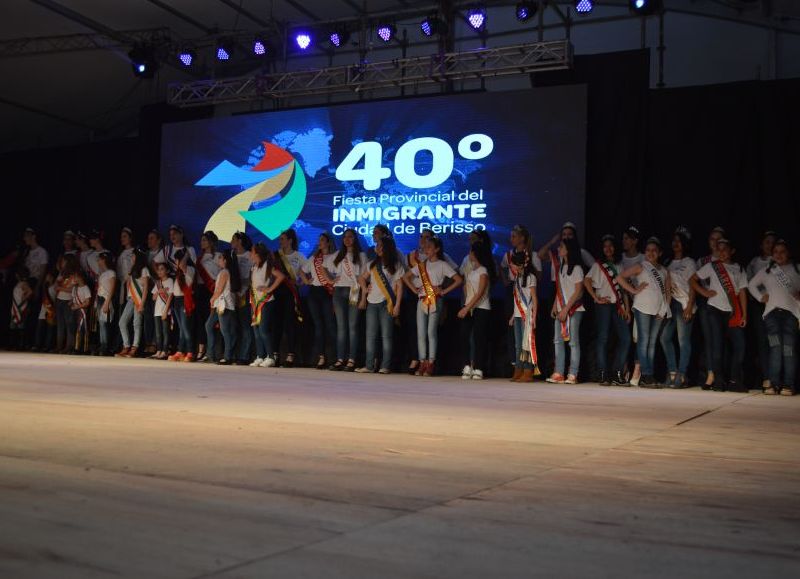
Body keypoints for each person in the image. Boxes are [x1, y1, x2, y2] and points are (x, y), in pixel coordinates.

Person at [691, 238, 748, 392]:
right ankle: (719, 381)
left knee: (740, 346)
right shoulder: (712, 266)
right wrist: (704, 292)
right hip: (714, 309)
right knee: (717, 346)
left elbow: (742, 292)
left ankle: (735, 380)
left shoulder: (739, 268)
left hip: (733, 311)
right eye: (719, 249)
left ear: (732, 251)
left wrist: (744, 314)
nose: (722, 252)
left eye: (725, 249)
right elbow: (693, 280)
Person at [403, 236, 463, 377]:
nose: (426, 249)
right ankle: (422, 361)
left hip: (436, 300)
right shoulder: (422, 265)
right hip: (422, 300)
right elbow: (406, 277)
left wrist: (443, 291)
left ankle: (431, 363)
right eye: (425, 247)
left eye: (429, 247)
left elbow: (458, 280)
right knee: (421, 332)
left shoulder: (443, 264)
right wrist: (413, 289)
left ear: (436, 249)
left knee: (431, 332)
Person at [747, 239, 800, 396]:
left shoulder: (797, 269)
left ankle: (789, 384)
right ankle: (774, 383)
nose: (779, 255)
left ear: (788, 253)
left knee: (789, 350)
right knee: (775, 348)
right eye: (776, 252)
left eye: (782, 251)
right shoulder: (768, 270)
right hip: (771, 316)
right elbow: (751, 285)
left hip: (791, 315)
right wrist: (760, 297)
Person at [617, 237, 671, 388]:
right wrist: (634, 290)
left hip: (658, 310)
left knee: (652, 343)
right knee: (643, 341)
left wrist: (664, 309)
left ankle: (649, 374)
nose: (650, 253)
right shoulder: (641, 266)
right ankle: (646, 375)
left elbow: (667, 292)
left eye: (654, 250)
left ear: (660, 253)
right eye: (648, 250)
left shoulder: (665, 271)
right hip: (642, 308)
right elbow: (620, 277)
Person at [583, 235, 631, 386]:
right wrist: (595, 298)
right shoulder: (599, 265)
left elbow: (623, 290)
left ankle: (617, 372)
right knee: (603, 339)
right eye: (605, 246)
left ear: (615, 248)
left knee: (626, 338)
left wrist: (627, 309)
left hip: (618, 305)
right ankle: (603, 373)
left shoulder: (620, 265)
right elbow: (587, 280)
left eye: (611, 246)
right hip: (603, 305)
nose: (608, 249)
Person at [357, 236, 404, 374]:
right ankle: (369, 365)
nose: (377, 247)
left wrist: (397, 306)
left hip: (386, 303)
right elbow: (361, 278)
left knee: (386, 336)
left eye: (380, 245)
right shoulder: (371, 264)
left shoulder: (395, 265)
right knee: (370, 335)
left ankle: (385, 366)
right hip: (371, 302)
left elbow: (400, 287)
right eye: (376, 245)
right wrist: (365, 289)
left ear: (387, 248)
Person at [659, 227, 696, 388]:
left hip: (684, 303)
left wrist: (689, 306)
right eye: (674, 241)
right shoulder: (667, 262)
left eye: (679, 241)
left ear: (685, 244)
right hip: (671, 304)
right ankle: (673, 372)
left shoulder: (689, 262)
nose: (676, 244)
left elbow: (693, 285)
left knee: (683, 340)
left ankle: (682, 375)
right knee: (664, 338)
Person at [546, 238, 586, 384]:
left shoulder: (577, 269)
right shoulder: (561, 267)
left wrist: (566, 309)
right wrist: (555, 307)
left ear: (569, 249)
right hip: (561, 308)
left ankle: (573, 373)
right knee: (557, 340)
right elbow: (559, 290)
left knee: (573, 342)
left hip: (574, 309)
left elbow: (578, 292)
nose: (558, 249)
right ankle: (558, 372)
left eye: (561, 247)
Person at [330, 228, 367, 371]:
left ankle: (351, 359)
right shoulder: (338, 255)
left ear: (355, 239)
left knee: (352, 327)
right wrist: (330, 279)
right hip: (339, 291)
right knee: (341, 327)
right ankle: (340, 358)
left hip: (354, 290)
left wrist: (363, 294)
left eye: (350, 237)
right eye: (345, 237)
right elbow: (324, 267)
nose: (347, 239)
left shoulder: (362, 256)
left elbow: (365, 276)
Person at [458, 241, 495, 380]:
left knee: (479, 338)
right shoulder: (472, 271)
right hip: (469, 306)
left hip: (481, 308)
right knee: (464, 336)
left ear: (475, 254)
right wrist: (466, 305)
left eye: (471, 252)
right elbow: (467, 290)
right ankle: (467, 365)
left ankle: (479, 367)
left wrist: (467, 307)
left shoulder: (483, 271)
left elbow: (480, 293)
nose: (469, 254)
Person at [747, 230, 779, 391]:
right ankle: (767, 377)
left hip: (777, 306)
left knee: (776, 342)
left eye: (773, 242)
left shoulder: (779, 260)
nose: (770, 245)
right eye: (767, 242)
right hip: (759, 306)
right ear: (761, 245)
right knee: (763, 342)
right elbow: (750, 282)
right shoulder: (754, 262)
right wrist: (761, 295)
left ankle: (777, 378)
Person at [695, 226, 726, 388]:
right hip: (706, 305)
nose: (715, 242)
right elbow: (694, 282)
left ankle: (721, 374)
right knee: (709, 339)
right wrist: (704, 292)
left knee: (722, 340)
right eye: (712, 239)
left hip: (725, 306)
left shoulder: (726, 259)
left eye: (718, 239)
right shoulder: (703, 261)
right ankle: (710, 372)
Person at [301, 232, 336, 369]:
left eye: (322, 240)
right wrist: (306, 281)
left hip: (328, 292)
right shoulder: (314, 258)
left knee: (330, 325)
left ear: (328, 242)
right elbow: (302, 271)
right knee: (318, 326)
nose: (319, 242)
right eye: (319, 240)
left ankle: (334, 357)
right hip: (315, 292)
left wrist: (333, 281)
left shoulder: (335, 256)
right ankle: (321, 357)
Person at [249, 242, 285, 368]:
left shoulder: (266, 265)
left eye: (252, 251)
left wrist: (269, 289)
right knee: (256, 331)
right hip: (255, 302)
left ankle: (270, 356)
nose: (250, 254)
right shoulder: (254, 266)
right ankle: (260, 356)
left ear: (257, 253)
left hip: (266, 301)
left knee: (264, 330)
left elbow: (281, 276)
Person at [274, 229, 306, 367]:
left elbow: (306, 274)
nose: (280, 241)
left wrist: (299, 282)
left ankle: (290, 355)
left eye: (282, 239)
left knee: (289, 324)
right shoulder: (275, 256)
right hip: (276, 292)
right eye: (279, 239)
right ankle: (275, 355)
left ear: (290, 240)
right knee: (276, 324)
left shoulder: (298, 256)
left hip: (290, 293)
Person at [205, 251, 241, 365]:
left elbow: (219, 290)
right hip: (219, 304)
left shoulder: (225, 272)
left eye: (220, 258)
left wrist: (212, 299)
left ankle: (227, 356)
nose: (218, 259)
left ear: (225, 260)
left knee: (225, 331)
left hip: (224, 304)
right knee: (209, 325)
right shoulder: (223, 272)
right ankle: (211, 353)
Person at [509, 250, 539, 383]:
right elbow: (516, 300)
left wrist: (534, 317)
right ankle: (518, 370)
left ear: (521, 265)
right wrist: (512, 316)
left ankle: (528, 372)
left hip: (527, 314)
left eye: (514, 264)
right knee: (517, 345)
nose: (512, 266)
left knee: (525, 344)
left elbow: (534, 298)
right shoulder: (517, 278)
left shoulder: (531, 277)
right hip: (517, 314)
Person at [117, 248, 150, 358]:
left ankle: (134, 348)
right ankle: (126, 346)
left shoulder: (144, 270)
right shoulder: (132, 269)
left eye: (133, 256)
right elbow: (129, 282)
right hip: (131, 299)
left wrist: (142, 303)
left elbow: (145, 288)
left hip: (139, 299)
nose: (132, 258)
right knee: (122, 322)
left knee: (136, 323)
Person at [195, 231, 221, 362]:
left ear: (211, 242)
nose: (202, 242)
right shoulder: (199, 258)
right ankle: (201, 350)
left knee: (213, 323)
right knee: (201, 321)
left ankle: (214, 351)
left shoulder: (218, 256)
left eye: (205, 240)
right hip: (201, 291)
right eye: (201, 240)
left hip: (214, 290)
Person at [168, 248, 196, 362]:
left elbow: (183, 265)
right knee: (181, 328)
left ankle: (190, 351)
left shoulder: (189, 269)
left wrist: (185, 255)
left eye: (177, 260)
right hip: (177, 300)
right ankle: (180, 351)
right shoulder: (179, 272)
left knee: (185, 328)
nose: (176, 263)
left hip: (185, 300)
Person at [230, 231, 254, 365]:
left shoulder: (249, 255)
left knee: (245, 326)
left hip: (245, 294)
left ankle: (244, 356)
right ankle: (232, 354)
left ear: (240, 241)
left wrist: (244, 288)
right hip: (231, 296)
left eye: (233, 239)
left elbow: (252, 276)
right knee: (233, 327)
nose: (231, 241)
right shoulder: (231, 255)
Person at [54, 254, 79, 353]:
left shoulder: (74, 274)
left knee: (69, 324)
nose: (62, 263)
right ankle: (59, 345)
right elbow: (56, 284)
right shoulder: (61, 273)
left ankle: (69, 346)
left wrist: (60, 288)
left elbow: (72, 289)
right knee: (60, 324)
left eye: (64, 261)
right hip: (59, 299)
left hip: (68, 301)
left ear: (69, 262)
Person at [150, 262, 174, 360]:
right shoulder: (158, 283)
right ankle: (159, 350)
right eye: (158, 269)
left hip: (165, 311)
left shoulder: (170, 281)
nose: (159, 271)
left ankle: (165, 350)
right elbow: (153, 297)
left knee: (165, 332)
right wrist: (158, 291)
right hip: (157, 311)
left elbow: (170, 297)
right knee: (158, 333)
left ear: (167, 270)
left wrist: (165, 311)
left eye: (162, 269)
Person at [95, 252, 117, 356]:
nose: (98, 261)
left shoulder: (111, 273)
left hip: (106, 298)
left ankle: (105, 347)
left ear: (104, 260)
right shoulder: (102, 274)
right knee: (101, 323)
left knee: (105, 324)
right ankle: (102, 344)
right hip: (100, 298)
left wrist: (107, 302)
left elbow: (112, 288)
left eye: (99, 259)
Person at [9, 266, 32, 350]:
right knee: (13, 326)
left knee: (20, 326)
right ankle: (13, 344)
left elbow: (30, 292)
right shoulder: (19, 283)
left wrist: (24, 298)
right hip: (15, 307)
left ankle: (20, 345)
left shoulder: (23, 283)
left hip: (21, 307)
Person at [34, 268, 57, 352]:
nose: (46, 278)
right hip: (43, 308)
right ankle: (37, 345)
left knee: (50, 328)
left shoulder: (55, 286)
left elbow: (55, 298)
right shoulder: (45, 286)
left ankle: (48, 346)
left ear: (51, 277)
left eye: (47, 276)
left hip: (51, 309)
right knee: (40, 327)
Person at [69, 272, 92, 354]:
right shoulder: (74, 288)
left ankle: (82, 348)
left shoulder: (86, 288)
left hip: (82, 311)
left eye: (76, 276)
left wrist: (77, 306)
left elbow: (87, 302)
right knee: (74, 329)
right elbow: (73, 299)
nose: (74, 278)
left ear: (81, 278)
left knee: (82, 329)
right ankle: (76, 346)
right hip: (75, 311)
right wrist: (71, 304)